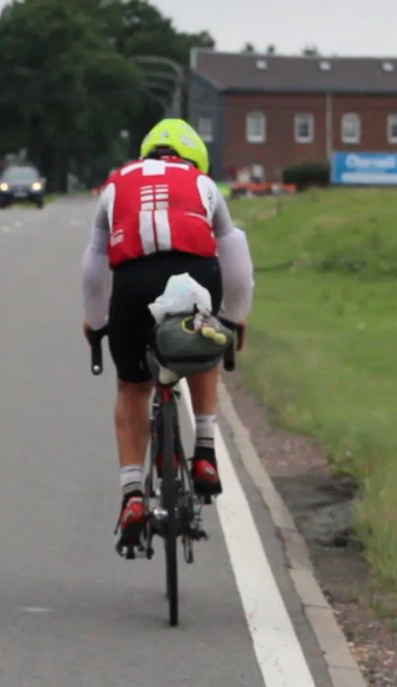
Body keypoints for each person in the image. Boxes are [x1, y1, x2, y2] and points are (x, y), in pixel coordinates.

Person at [80, 118, 255, 553]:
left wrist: (95, 319)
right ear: (195, 158)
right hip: (197, 273)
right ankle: (207, 456)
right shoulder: (203, 184)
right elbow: (234, 251)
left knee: (132, 387)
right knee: (202, 350)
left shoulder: (116, 184)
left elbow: (95, 260)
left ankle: (133, 496)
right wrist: (234, 319)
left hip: (134, 280)